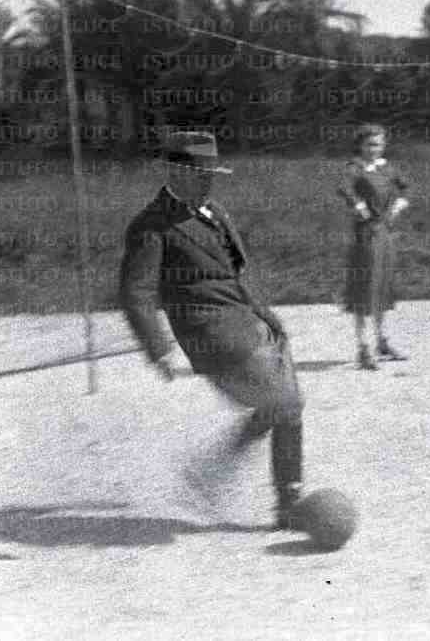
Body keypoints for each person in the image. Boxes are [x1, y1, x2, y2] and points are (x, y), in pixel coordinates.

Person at [118, 130, 305, 529]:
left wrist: (268, 318)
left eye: (212, 174)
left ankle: (258, 488)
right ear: (174, 172)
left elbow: (239, 271)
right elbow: (136, 294)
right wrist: (159, 348)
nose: (208, 181)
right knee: (284, 404)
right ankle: (286, 498)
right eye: (199, 174)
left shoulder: (216, 212)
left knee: (286, 406)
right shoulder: (152, 226)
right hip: (210, 332)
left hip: (250, 322)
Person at [338, 124, 410, 371]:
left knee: (382, 285)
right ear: (360, 145)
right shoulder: (355, 167)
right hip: (365, 235)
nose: (374, 149)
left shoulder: (387, 167)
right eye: (369, 144)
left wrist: (398, 207)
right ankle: (362, 348)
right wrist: (360, 208)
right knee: (363, 288)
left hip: (385, 234)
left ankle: (381, 342)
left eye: (378, 144)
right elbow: (344, 188)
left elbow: (405, 188)